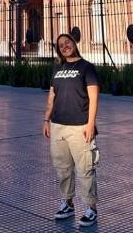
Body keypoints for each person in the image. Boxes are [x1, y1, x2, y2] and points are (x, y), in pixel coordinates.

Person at [43, 33, 100, 227]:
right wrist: (46, 119)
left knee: (85, 169)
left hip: (80, 126)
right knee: (62, 168)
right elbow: (52, 96)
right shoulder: (58, 68)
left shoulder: (87, 67)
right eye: (61, 45)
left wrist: (91, 124)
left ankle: (91, 208)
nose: (65, 46)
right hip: (58, 125)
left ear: (74, 44)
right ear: (59, 50)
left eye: (67, 42)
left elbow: (93, 97)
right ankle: (67, 204)